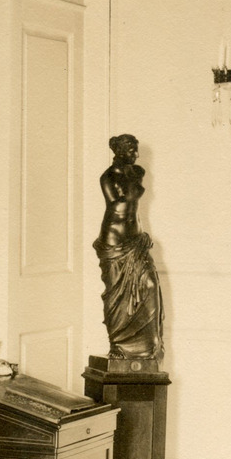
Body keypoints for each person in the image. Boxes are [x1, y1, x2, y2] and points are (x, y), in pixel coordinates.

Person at [94, 133, 163, 361]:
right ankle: (119, 344)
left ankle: (146, 347)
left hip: (135, 237)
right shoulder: (107, 177)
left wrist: (141, 234)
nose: (136, 154)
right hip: (114, 240)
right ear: (120, 151)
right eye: (132, 150)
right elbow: (119, 203)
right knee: (115, 294)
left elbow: (133, 203)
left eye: (136, 149)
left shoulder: (138, 172)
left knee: (150, 285)